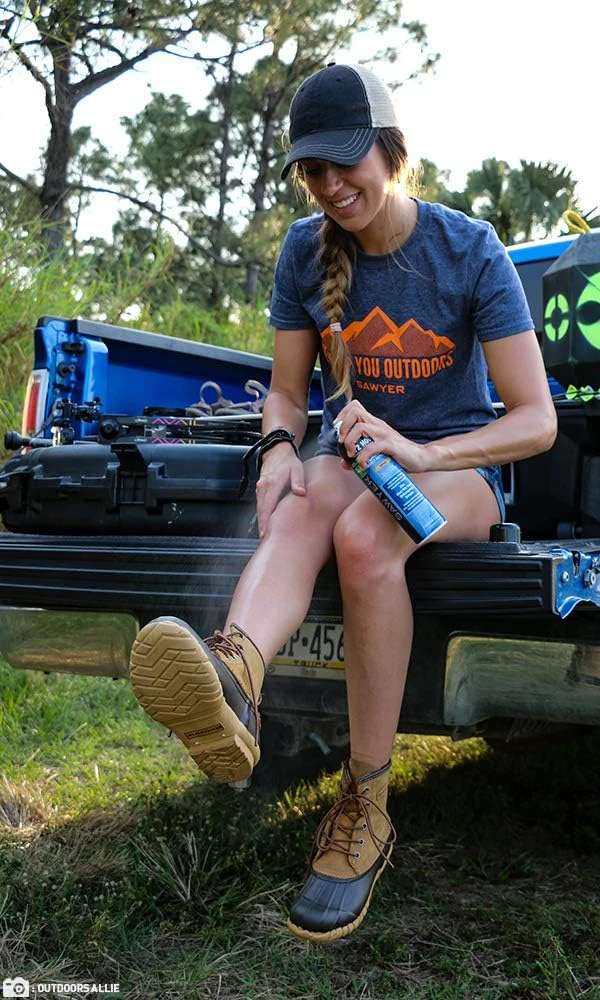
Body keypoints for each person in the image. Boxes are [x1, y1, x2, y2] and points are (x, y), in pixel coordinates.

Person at [129, 62, 557, 942]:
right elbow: (286, 394)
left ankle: (365, 805)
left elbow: (535, 421)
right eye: (311, 172)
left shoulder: (466, 247)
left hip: (460, 473)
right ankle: (232, 683)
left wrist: (421, 449)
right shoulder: (303, 249)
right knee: (305, 495)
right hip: (351, 458)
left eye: (344, 164)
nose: (330, 186)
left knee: (366, 535)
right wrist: (278, 448)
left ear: (390, 152)